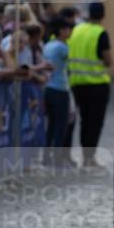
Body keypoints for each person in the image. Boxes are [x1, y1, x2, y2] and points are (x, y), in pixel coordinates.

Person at [67, 1, 111, 169]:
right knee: (93, 123)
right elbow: (108, 60)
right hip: (97, 85)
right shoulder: (100, 32)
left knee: (74, 121)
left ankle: (68, 156)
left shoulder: (76, 30)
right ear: (102, 15)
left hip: (76, 83)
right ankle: (88, 158)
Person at [42, 17, 74, 169]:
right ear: (61, 30)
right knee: (61, 125)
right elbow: (72, 62)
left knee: (52, 125)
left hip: (48, 88)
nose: (70, 32)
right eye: (67, 29)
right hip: (60, 88)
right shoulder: (62, 47)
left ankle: (46, 156)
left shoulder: (48, 45)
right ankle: (57, 158)